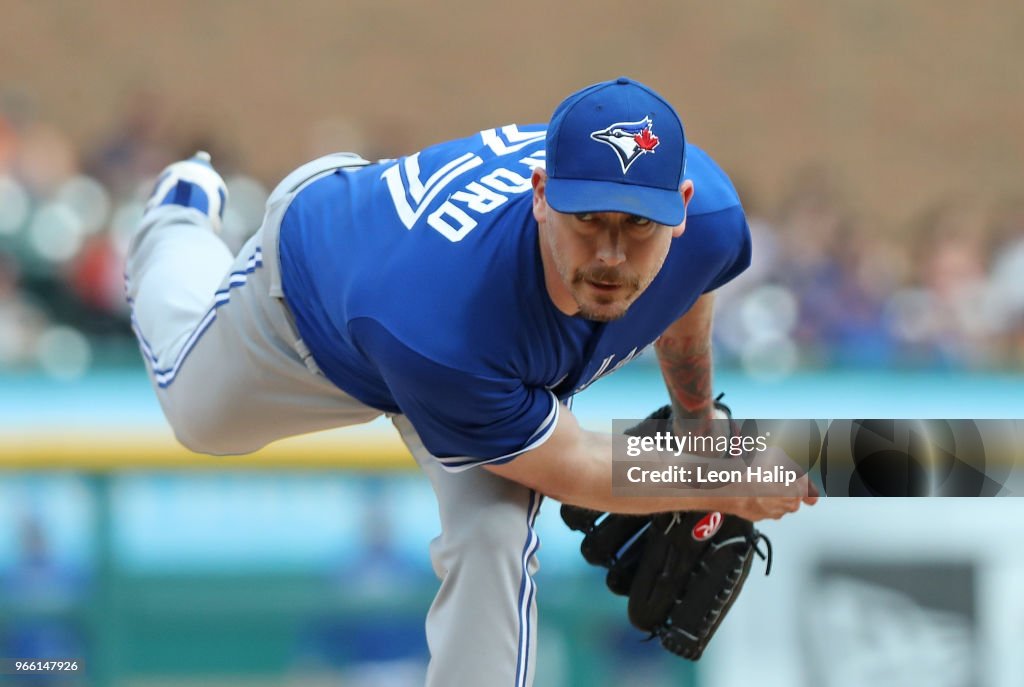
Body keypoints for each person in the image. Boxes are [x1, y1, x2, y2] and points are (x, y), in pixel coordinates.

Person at [125, 77, 817, 687]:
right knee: (197, 414)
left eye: (638, 225)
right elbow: (571, 463)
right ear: (543, 195)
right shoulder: (442, 319)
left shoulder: (712, 223)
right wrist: (702, 475)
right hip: (317, 301)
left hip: (467, 346)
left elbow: (689, 283)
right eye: (589, 222)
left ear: (682, 208)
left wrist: (698, 428)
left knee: (494, 535)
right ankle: (178, 219)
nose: (611, 253)